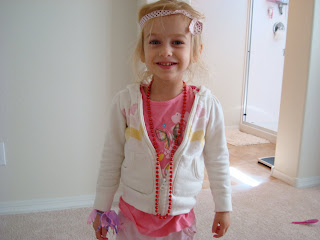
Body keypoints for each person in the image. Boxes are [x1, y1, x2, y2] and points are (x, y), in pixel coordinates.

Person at [87, 0, 232, 239]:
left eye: (177, 42)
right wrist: (101, 206)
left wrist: (223, 206)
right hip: (132, 215)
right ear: (142, 52)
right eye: (155, 42)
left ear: (195, 52)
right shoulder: (125, 103)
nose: (166, 51)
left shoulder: (206, 106)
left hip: (180, 219)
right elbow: (111, 158)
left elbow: (218, 160)